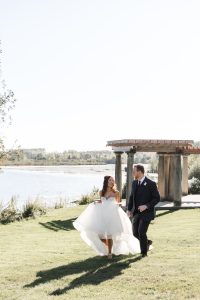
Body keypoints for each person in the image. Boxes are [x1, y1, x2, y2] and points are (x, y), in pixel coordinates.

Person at [73, 176, 140, 259]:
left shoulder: (116, 192)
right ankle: (110, 247)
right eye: (110, 180)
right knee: (99, 236)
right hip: (103, 215)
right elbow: (101, 202)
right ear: (106, 181)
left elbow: (119, 203)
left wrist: (121, 207)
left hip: (113, 214)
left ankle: (109, 253)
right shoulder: (101, 192)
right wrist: (96, 202)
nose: (112, 181)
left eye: (112, 180)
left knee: (109, 235)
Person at [127, 164, 160, 257]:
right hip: (136, 213)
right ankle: (147, 242)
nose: (133, 173)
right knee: (135, 233)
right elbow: (131, 197)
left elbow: (157, 198)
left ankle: (144, 253)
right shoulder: (134, 183)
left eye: (134, 171)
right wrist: (129, 209)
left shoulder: (151, 183)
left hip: (147, 213)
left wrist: (146, 206)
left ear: (140, 172)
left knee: (141, 232)